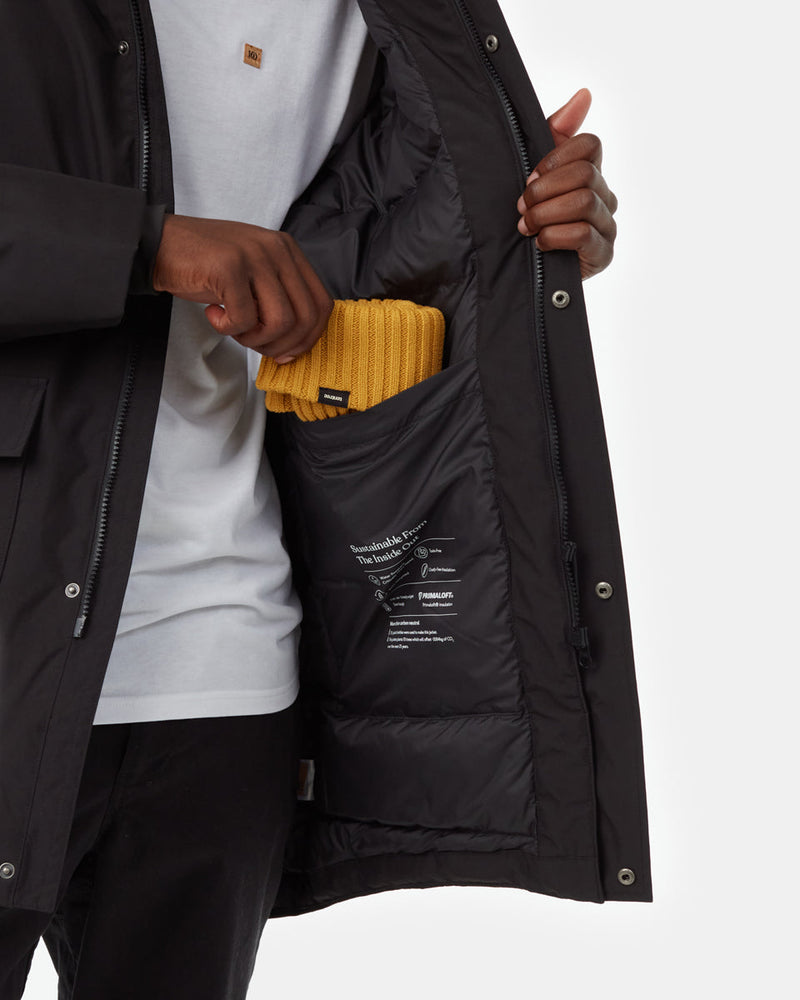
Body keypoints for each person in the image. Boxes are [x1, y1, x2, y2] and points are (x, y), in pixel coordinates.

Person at [0, 1, 634, 998]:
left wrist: (518, 228)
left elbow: (367, 254)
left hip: (226, 664)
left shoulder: (393, 17)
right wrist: (147, 243)